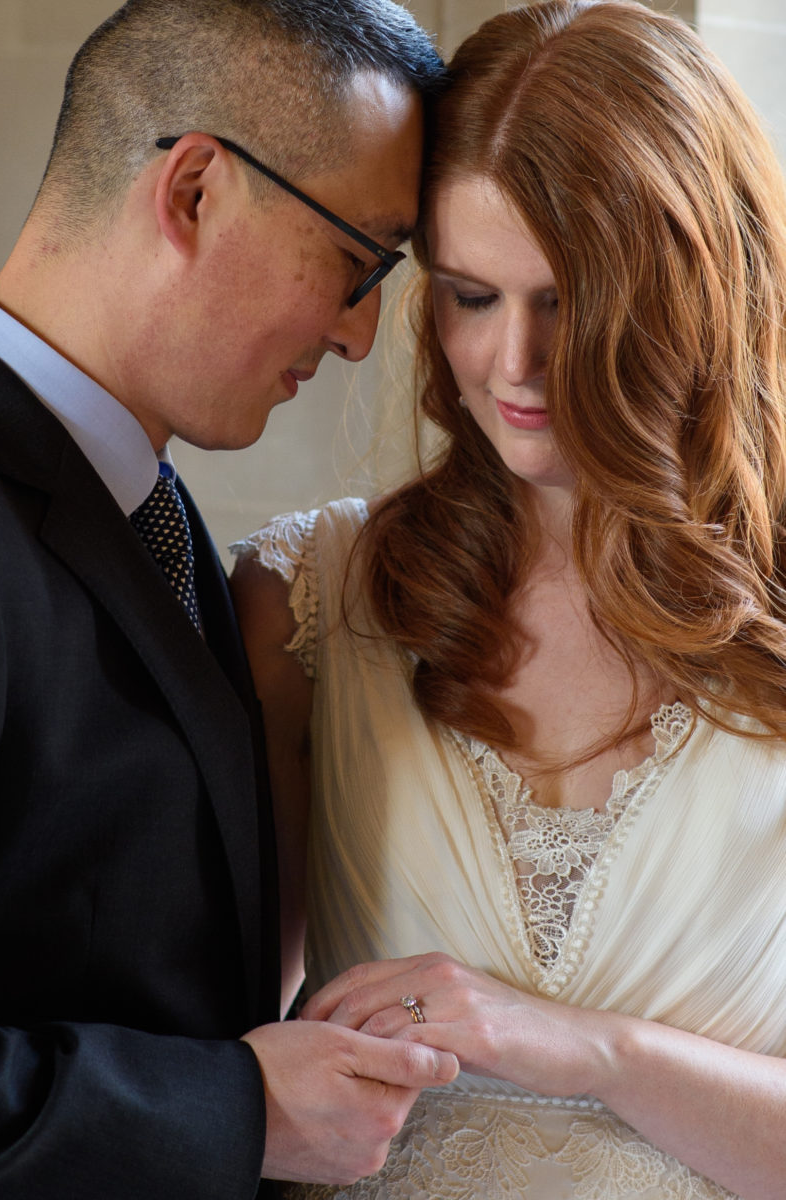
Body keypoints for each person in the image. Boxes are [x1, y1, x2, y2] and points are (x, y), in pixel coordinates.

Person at [230, 1, 786, 1196]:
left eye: (570, 296)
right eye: (470, 295)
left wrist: (595, 1052)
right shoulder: (309, 607)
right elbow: (225, 1068)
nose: (514, 366)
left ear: (700, 288)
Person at [0, 1, 462, 1197]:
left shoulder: (155, 512)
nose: (363, 336)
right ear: (194, 189)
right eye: (360, 263)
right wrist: (234, 1114)